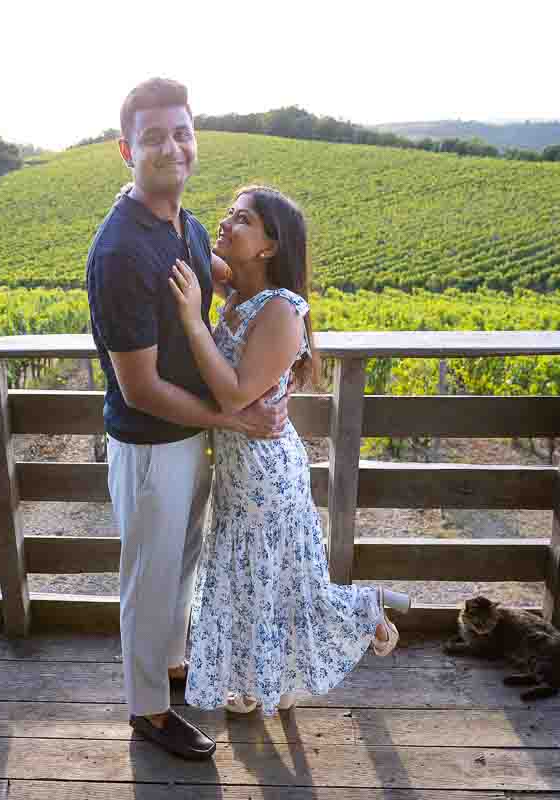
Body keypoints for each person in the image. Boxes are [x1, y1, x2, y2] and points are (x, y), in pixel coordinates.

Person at [86, 78, 287, 760]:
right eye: (152, 136)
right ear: (125, 150)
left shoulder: (187, 225)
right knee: (149, 575)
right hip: (150, 442)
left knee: (182, 562)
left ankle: (173, 664)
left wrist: (283, 318)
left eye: (182, 132)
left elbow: (229, 275)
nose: (171, 146)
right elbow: (139, 388)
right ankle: (148, 710)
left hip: (191, 432)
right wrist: (235, 419)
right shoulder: (121, 252)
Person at [168, 185, 411, 716]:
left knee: (275, 580)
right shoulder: (234, 287)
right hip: (237, 464)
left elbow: (234, 393)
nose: (227, 224)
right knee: (254, 577)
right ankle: (256, 682)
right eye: (229, 214)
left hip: (264, 473)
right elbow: (181, 239)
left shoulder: (281, 312)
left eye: (243, 220)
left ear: (269, 247)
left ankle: (364, 609)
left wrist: (191, 319)